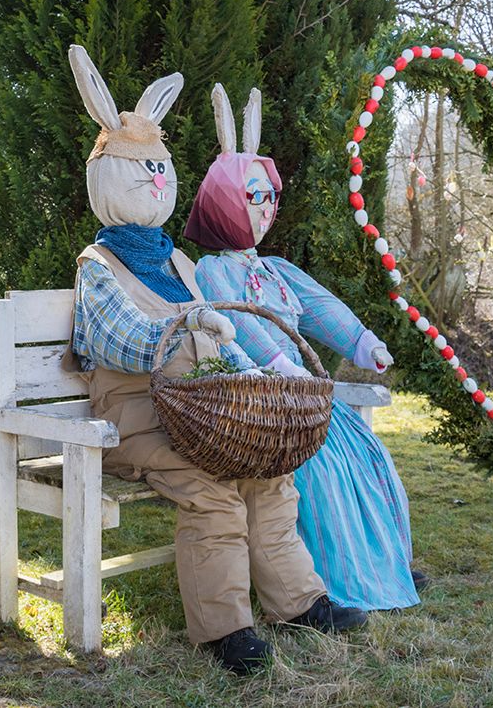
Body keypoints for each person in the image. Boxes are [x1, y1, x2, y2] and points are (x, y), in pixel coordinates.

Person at [64, 46, 368, 675]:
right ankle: (225, 628)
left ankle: (299, 602)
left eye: (159, 166)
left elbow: (222, 331)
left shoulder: (177, 261)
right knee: (211, 491)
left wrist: (245, 369)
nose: (153, 179)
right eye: (139, 168)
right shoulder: (99, 266)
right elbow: (117, 339)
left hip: (199, 411)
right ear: (108, 179)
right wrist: (182, 329)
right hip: (134, 423)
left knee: (266, 472)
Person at [185, 83, 426, 612]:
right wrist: (279, 365)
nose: (266, 208)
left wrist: (362, 342)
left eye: (271, 196)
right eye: (254, 196)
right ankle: (334, 579)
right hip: (270, 403)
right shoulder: (212, 270)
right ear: (223, 199)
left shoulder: (275, 269)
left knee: (368, 457)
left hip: (308, 395)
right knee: (323, 473)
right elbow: (236, 323)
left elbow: (319, 307)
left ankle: (383, 564)